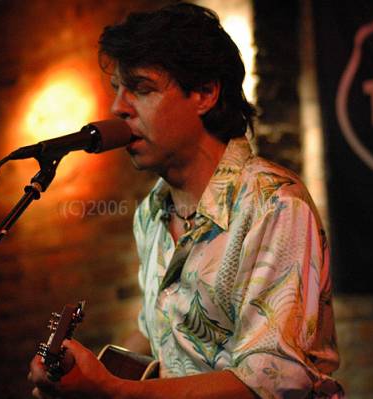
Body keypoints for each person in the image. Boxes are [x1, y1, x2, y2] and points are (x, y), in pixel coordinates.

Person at [29, 3, 343, 398]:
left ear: (206, 93)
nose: (118, 107)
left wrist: (113, 390)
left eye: (141, 89)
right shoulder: (149, 214)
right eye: (117, 90)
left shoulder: (273, 203)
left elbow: (275, 379)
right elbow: (166, 335)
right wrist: (80, 373)